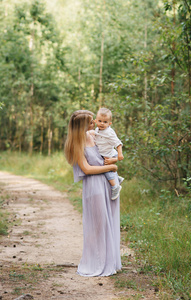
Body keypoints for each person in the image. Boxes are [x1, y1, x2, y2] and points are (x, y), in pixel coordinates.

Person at [64, 110, 121, 277]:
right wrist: (110, 168)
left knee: (108, 222)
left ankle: (110, 261)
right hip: (94, 186)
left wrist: (115, 160)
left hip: (107, 184)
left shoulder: (94, 135)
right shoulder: (76, 143)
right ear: (82, 126)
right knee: (97, 225)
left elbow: (111, 148)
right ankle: (97, 262)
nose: (94, 124)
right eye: (90, 122)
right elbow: (87, 169)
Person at [89, 107, 124, 200]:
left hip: (110, 154)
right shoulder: (97, 130)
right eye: (100, 121)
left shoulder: (109, 132)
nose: (102, 123)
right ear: (96, 121)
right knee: (105, 166)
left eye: (105, 122)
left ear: (110, 123)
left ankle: (115, 187)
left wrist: (120, 154)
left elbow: (118, 143)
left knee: (106, 169)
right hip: (105, 154)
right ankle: (117, 178)